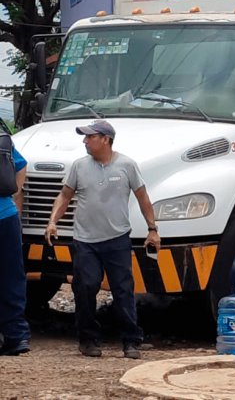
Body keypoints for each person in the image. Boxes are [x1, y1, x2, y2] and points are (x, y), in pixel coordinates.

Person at [44, 120, 160, 359]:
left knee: (123, 290)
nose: (85, 141)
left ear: (105, 139)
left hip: (117, 238)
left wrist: (152, 229)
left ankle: (131, 341)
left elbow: (143, 198)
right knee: (85, 287)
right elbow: (64, 196)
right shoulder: (79, 166)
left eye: (90, 137)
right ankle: (88, 339)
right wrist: (53, 222)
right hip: (85, 240)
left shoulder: (127, 165)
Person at [0, 143, 30, 356]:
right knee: (12, 276)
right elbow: (21, 165)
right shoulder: (2, 140)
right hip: (7, 215)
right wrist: (14, 192)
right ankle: (16, 336)